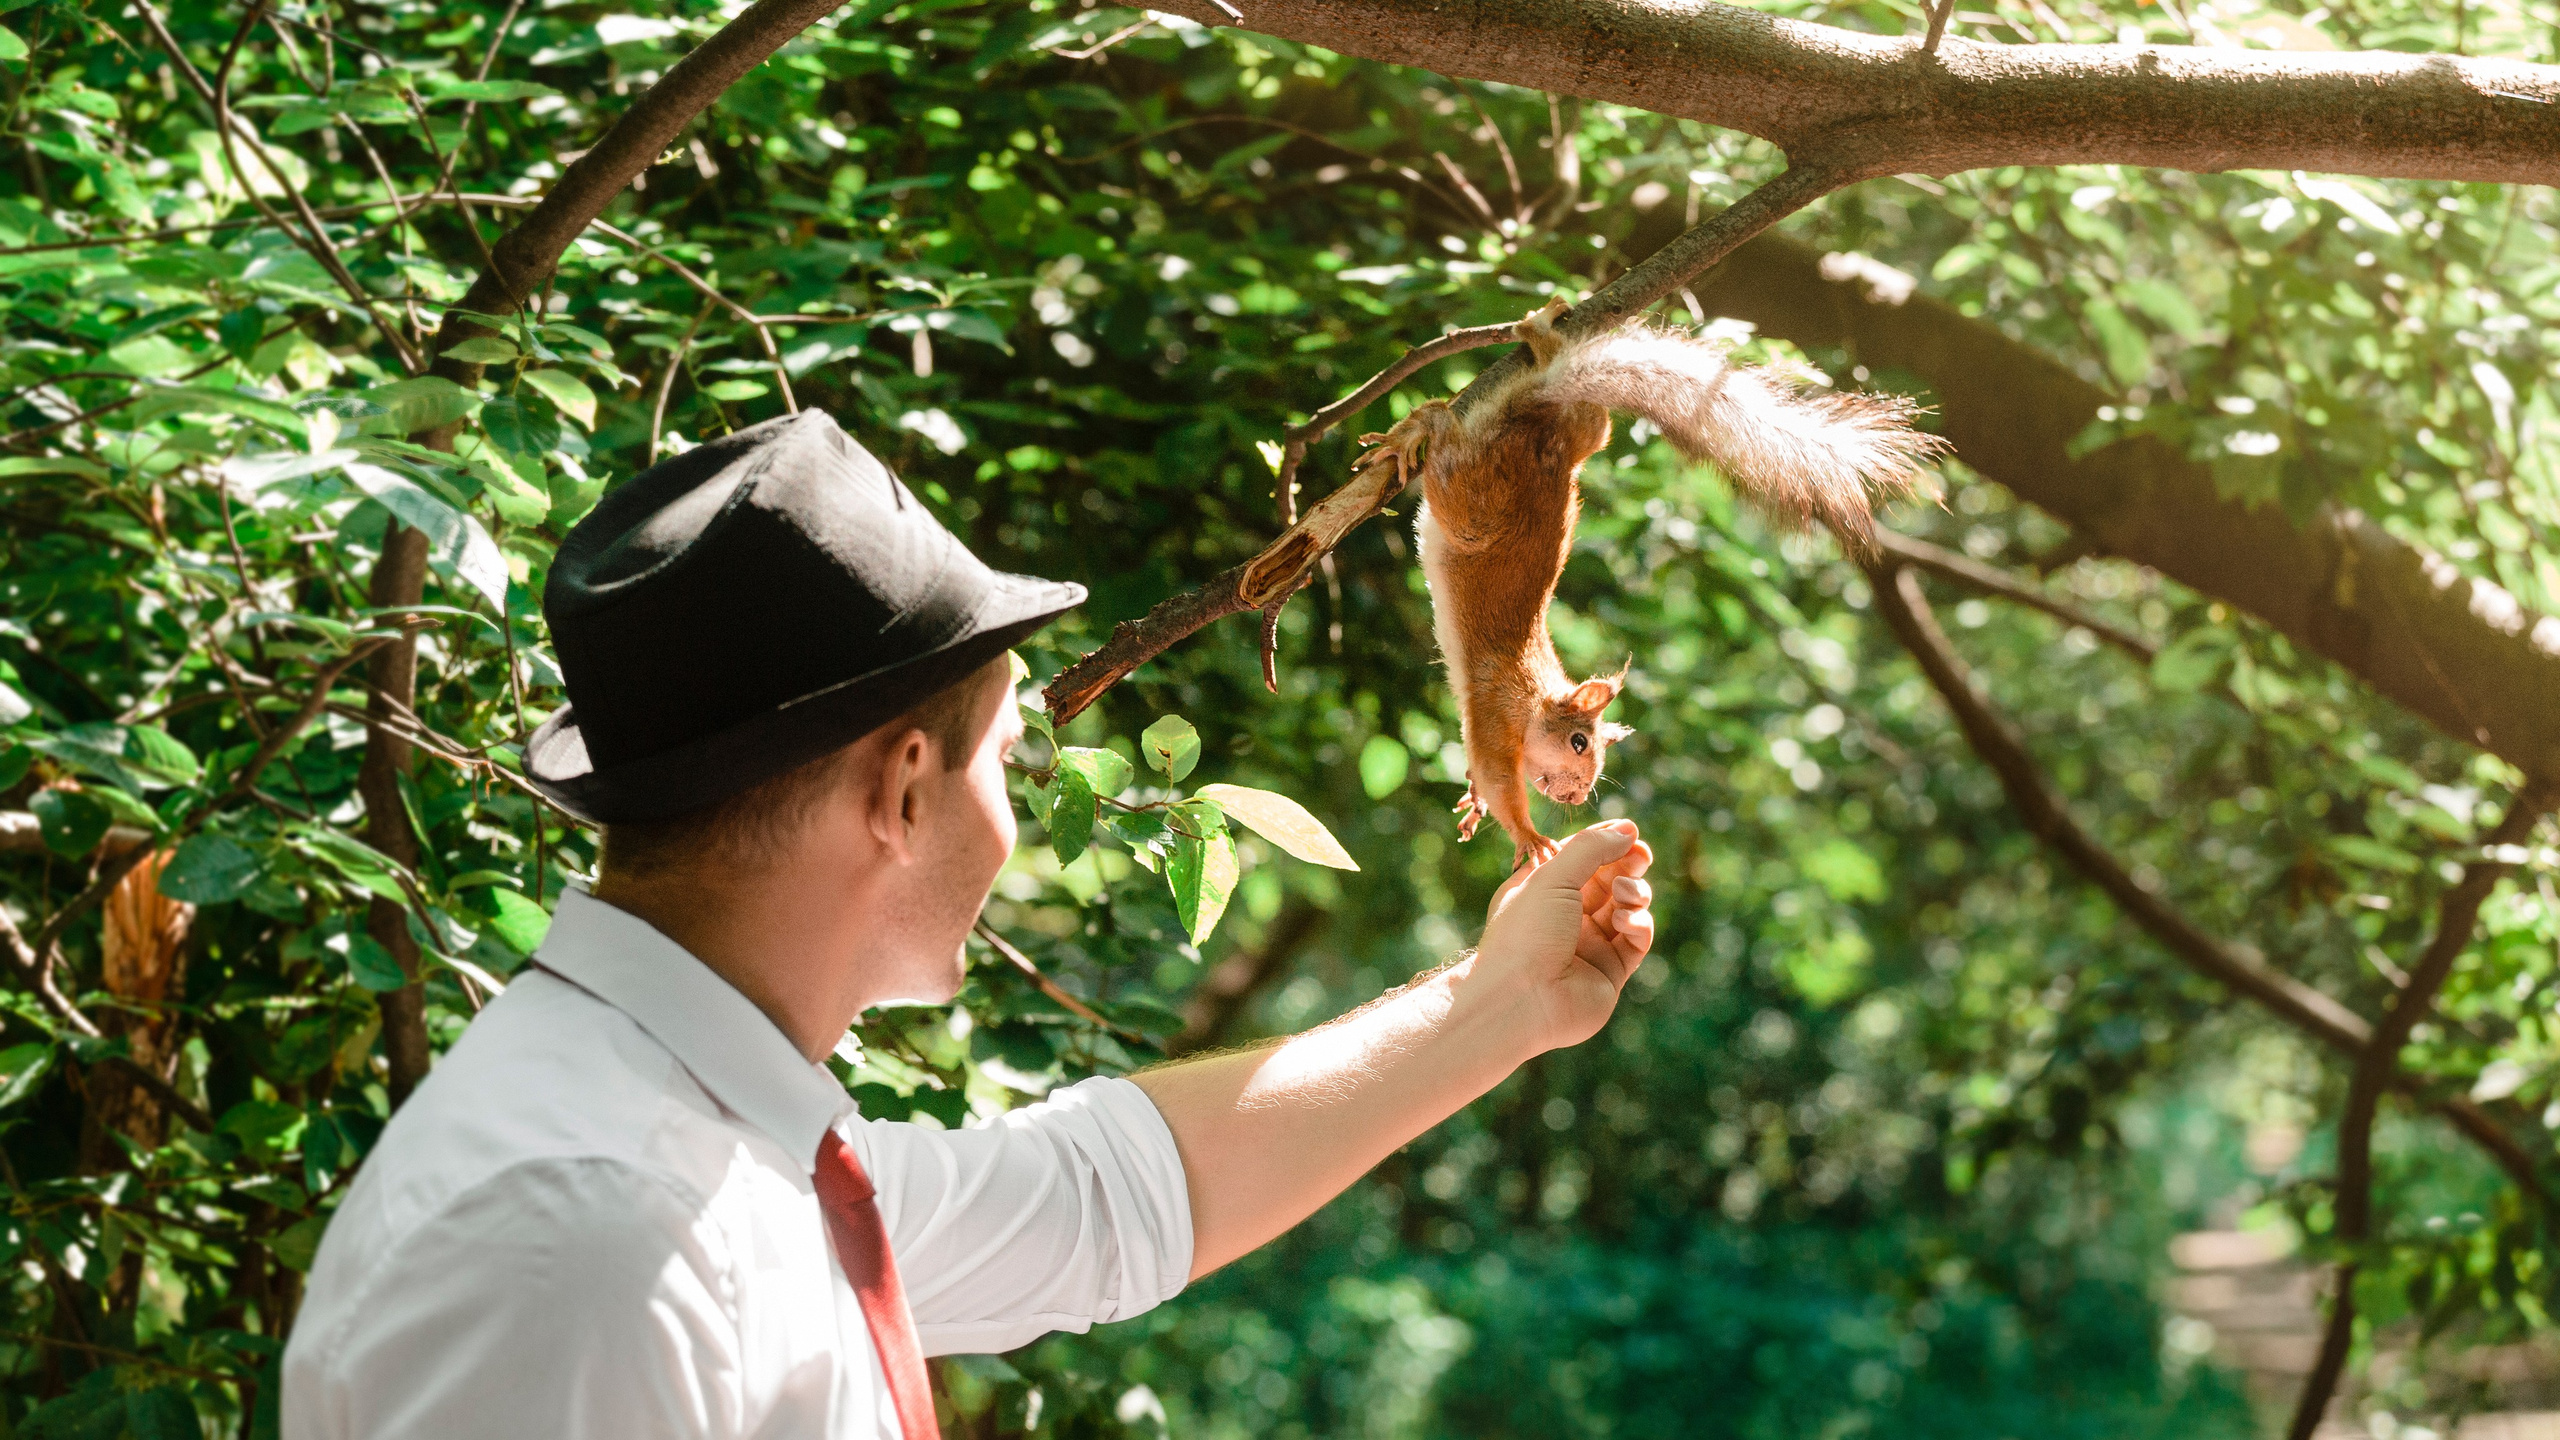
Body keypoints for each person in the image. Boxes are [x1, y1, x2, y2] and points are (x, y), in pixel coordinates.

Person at [281, 410, 1655, 1439]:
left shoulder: (704, 1151)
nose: (1021, 812)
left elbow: (1102, 1201)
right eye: (1007, 757)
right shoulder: (583, 1244)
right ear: (902, 790)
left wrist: (1498, 1000)